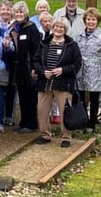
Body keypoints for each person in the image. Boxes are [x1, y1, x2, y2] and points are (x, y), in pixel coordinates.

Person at [33, 17, 82, 147]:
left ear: (65, 29)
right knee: (42, 110)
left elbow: (77, 64)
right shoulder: (44, 43)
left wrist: (63, 70)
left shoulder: (71, 45)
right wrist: (43, 71)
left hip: (63, 83)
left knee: (64, 111)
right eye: (56, 26)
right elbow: (36, 61)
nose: (58, 29)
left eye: (61, 27)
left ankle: (66, 137)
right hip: (45, 83)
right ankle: (45, 134)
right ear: (53, 27)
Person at [9, 0, 41, 133]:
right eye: (16, 12)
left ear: (25, 12)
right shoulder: (15, 28)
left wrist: (35, 68)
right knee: (22, 96)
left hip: (29, 68)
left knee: (30, 97)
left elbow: (36, 50)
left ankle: (31, 123)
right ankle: (23, 122)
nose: (19, 14)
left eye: (21, 12)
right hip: (19, 68)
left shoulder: (31, 28)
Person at [0, 0, 16, 126]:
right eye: (3, 9)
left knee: (10, 88)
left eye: (8, 9)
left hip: (12, 61)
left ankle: (9, 115)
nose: (5, 12)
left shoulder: (15, 25)